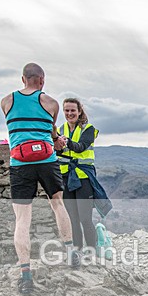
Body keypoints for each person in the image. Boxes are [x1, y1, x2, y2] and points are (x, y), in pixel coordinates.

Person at [0, 63, 73, 295]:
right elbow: (51, 131)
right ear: (42, 80)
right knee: (58, 204)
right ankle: (71, 253)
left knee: (22, 219)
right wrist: (57, 140)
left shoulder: (6, 102)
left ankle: (26, 275)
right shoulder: (51, 103)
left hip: (20, 163)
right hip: (47, 159)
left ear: (23, 78)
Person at [56, 97, 100, 263]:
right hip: (66, 177)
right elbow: (58, 152)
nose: (69, 113)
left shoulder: (88, 129)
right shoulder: (60, 129)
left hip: (83, 178)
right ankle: (77, 252)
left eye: (72, 110)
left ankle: (92, 252)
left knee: (85, 218)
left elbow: (81, 147)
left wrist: (64, 142)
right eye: (66, 110)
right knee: (72, 218)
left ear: (79, 111)